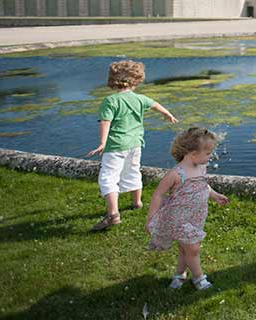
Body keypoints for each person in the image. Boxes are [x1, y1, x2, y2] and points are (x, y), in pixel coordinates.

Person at [88, 60, 177, 231]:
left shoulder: (111, 101)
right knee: (133, 171)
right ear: (136, 79)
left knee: (108, 177)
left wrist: (102, 143)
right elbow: (155, 105)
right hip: (135, 144)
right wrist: (168, 114)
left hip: (116, 146)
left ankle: (113, 214)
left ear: (113, 80)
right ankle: (137, 203)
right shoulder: (140, 99)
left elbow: (105, 122)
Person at [145, 127, 229, 290]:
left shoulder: (200, 167)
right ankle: (199, 279)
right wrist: (151, 218)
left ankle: (179, 274)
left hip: (196, 216)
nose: (210, 156)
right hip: (179, 218)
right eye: (208, 153)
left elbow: (203, 185)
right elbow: (158, 195)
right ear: (193, 154)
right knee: (193, 248)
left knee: (186, 248)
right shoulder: (176, 174)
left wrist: (214, 194)